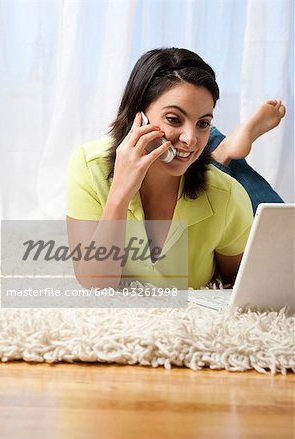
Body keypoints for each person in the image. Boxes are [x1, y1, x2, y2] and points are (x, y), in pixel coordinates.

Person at [66, 47, 285, 291]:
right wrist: (120, 193)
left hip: (219, 184)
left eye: (203, 123)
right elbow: (95, 283)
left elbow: (239, 282)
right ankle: (221, 152)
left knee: (285, 244)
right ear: (139, 117)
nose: (191, 139)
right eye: (173, 119)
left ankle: (221, 154)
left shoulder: (226, 194)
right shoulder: (89, 166)